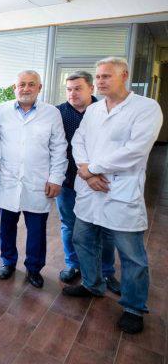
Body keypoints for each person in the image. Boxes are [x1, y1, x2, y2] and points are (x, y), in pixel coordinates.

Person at [63, 57, 162, 335]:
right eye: (98, 77)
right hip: (89, 189)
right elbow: (78, 140)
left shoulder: (146, 108)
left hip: (120, 190)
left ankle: (133, 307)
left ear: (124, 75)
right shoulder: (94, 109)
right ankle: (92, 284)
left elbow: (136, 150)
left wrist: (93, 169)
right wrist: (86, 171)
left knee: (131, 254)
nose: (100, 81)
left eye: (106, 76)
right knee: (83, 239)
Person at [0, 70, 67, 288]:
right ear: (14, 87)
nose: (26, 88)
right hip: (8, 179)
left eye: (31, 84)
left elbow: (59, 148)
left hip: (38, 181)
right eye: (21, 84)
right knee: (6, 226)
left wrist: (56, 178)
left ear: (39, 88)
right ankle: (7, 262)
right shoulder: (1, 111)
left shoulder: (51, 113)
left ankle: (34, 268)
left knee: (36, 229)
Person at [55, 71, 119, 292]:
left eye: (78, 88)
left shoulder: (105, 111)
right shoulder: (58, 113)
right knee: (69, 225)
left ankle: (106, 272)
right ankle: (74, 265)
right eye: (69, 89)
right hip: (68, 181)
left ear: (91, 88)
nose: (72, 93)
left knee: (105, 229)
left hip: (102, 182)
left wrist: (93, 174)